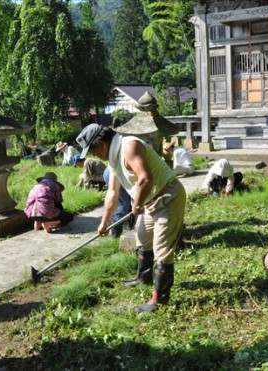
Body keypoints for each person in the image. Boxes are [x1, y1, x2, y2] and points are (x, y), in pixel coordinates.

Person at [76, 124, 186, 313]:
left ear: (101, 143)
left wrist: (136, 204)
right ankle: (143, 277)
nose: (94, 156)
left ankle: (159, 299)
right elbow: (112, 192)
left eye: (93, 151)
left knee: (162, 249)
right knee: (142, 239)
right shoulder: (113, 157)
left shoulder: (129, 146)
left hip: (167, 196)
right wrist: (105, 223)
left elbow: (145, 179)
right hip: (150, 201)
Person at [103, 167, 133, 239]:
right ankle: (115, 235)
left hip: (111, 171)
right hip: (118, 174)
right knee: (123, 205)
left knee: (127, 202)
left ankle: (128, 226)